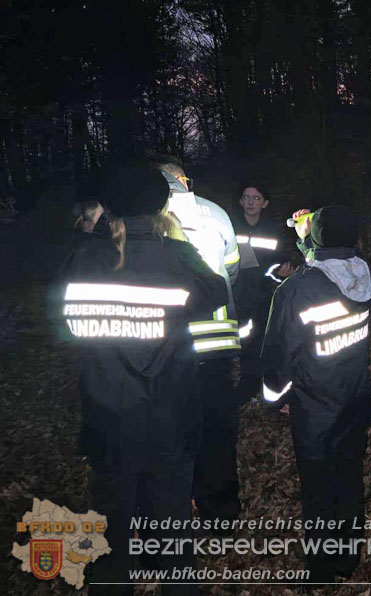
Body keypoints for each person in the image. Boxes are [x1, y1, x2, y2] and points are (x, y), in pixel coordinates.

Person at [54, 162, 228, 595]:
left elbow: (60, 318)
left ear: (108, 207)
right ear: (161, 205)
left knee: (108, 535)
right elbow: (216, 294)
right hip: (170, 419)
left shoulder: (82, 259)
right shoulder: (176, 257)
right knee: (173, 530)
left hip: (106, 420)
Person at [261, 205, 371, 584]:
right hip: (355, 398)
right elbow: (332, 266)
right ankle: (348, 558)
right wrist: (307, 243)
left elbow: (277, 356)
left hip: (316, 409)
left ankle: (322, 571)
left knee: (317, 489)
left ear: (317, 236)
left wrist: (275, 399)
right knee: (349, 477)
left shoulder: (295, 289)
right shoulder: (365, 273)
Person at [148, 155, 242, 521]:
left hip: (171, 344)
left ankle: (179, 507)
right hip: (217, 341)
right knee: (218, 429)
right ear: (184, 180)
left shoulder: (148, 218)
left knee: (175, 430)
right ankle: (222, 512)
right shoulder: (216, 212)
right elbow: (232, 269)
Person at [230, 184, 294, 402]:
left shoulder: (273, 232)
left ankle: (265, 386)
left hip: (263, 297)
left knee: (262, 342)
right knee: (242, 340)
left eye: (256, 198)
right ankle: (246, 383)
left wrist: (280, 274)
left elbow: (280, 263)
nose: (250, 202)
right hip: (235, 296)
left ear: (265, 203)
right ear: (240, 201)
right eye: (246, 197)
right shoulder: (229, 227)